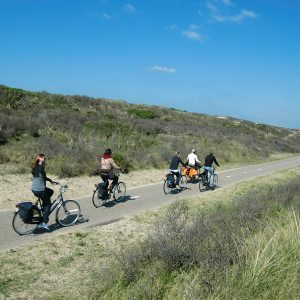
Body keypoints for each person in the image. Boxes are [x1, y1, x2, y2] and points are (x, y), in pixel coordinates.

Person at [31, 154, 57, 231]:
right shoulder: (39, 167)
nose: (44, 159)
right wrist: (40, 162)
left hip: (35, 189)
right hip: (40, 190)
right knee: (49, 204)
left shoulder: (36, 167)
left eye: (44, 157)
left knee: (51, 191)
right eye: (42, 157)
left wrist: (51, 181)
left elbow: (43, 177)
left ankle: (43, 208)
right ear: (38, 158)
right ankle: (44, 223)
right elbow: (42, 174)